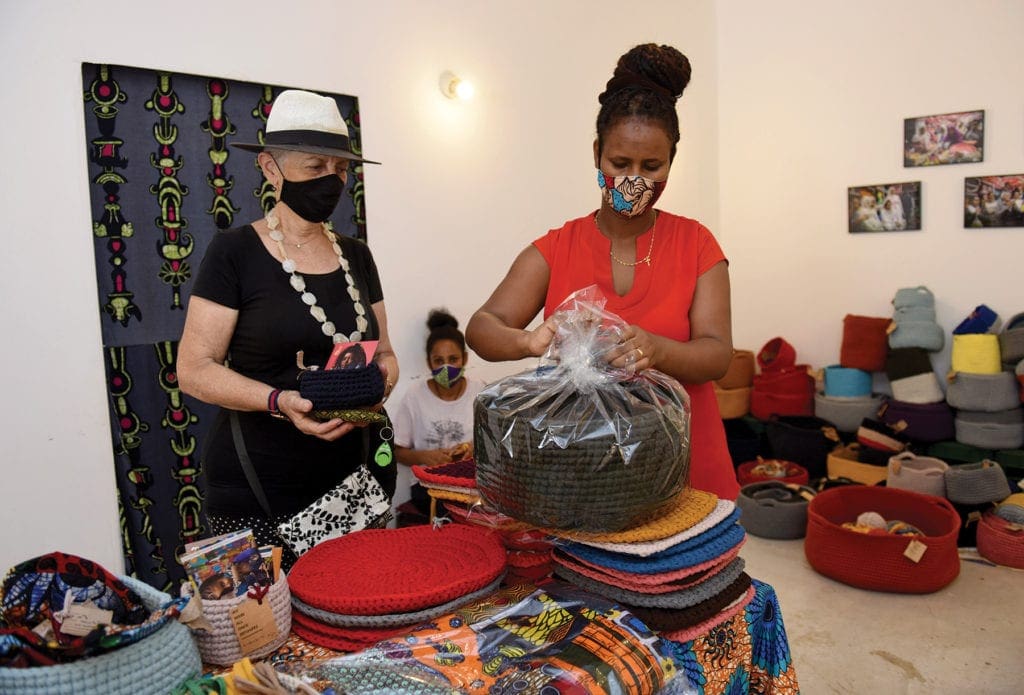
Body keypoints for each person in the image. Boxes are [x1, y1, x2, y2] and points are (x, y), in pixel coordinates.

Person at [465, 43, 739, 500]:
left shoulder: (697, 243)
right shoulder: (556, 249)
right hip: (588, 475)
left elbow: (717, 355)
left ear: (672, 159)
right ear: (597, 154)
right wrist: (527, 341)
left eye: (652, 166)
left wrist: (656, 349)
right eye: (620, 163)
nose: (635, 180)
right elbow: (481, 327)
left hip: (690, 467)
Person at [178, 89, 399, 570]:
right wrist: (279, 401)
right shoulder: (233, 252)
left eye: (340, 169)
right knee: (267, 629)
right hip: (256, 481)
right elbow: (194, 370)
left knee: (350, 613)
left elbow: (385, 354)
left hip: (349, 479)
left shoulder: (357, 255)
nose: (331, 181)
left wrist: (377, 389)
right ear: (270, 168)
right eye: (314, 167)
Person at [393, 309, 486, 515]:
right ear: (429, 363)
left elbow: (496, 443)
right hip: (427, 488)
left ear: (465, 359)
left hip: (470, 484)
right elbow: (396, 451)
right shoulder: (414, 396)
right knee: (447, 511)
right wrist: (425, 457)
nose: (446, 367)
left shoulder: (480, 392)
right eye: (438, 361)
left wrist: (472, 449)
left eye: (453, 359)